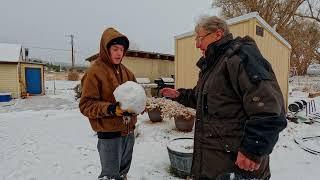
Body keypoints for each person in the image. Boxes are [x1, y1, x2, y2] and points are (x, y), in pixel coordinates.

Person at [160, 16, 287, 179]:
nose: (197, 44)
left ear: (218, 34)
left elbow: (270, 108)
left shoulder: (241, 57)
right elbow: (203, 100)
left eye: (200, 38)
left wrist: (252, 150)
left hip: (239, 167)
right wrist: (180, 95)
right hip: (216, 165)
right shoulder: (213, 65)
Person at [79, 27, 137, 180]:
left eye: (122, 49)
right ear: (106, 49)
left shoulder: (127, 72)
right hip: (109, 134)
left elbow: (137, 96)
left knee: (123, 171)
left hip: (129, 131)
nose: (119, 53)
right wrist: (111, 109)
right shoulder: (94, 72)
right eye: (115, 48)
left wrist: (141, 105)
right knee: (110, 175)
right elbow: (86, 105)